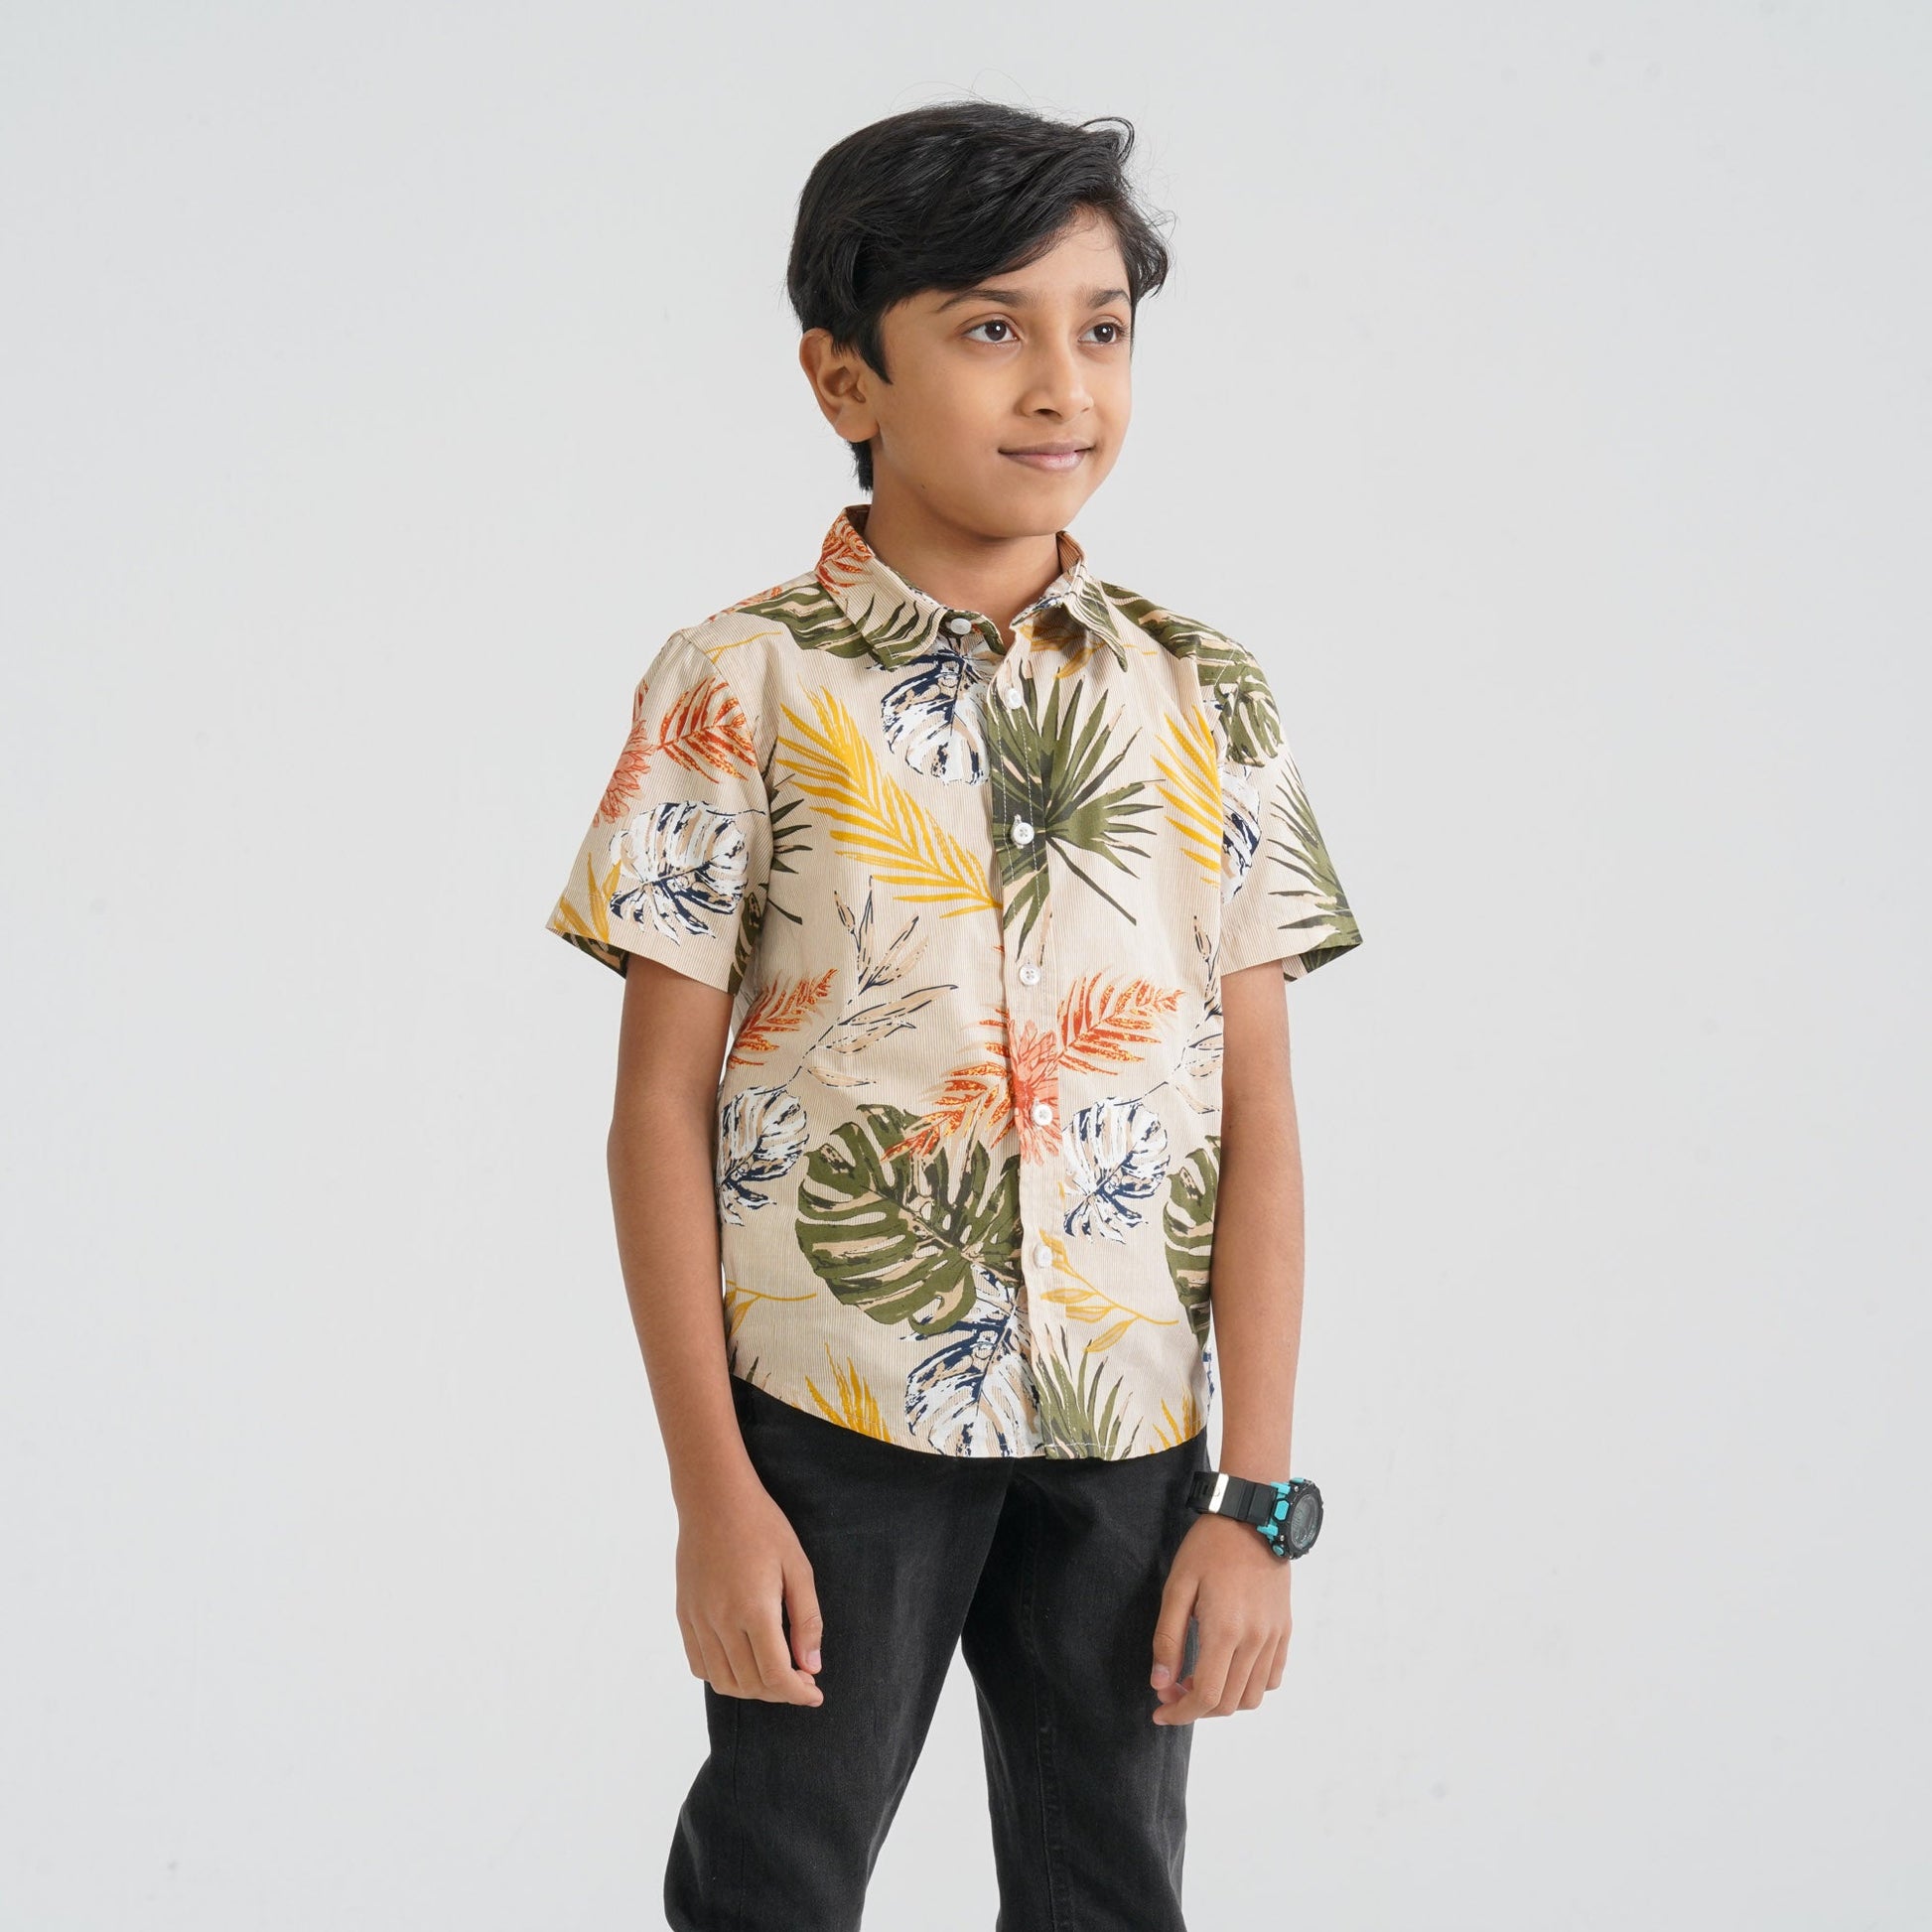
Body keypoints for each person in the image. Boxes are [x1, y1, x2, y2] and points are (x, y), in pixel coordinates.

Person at [544, 98, 1364, 1932]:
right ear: (844, 374)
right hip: (834, 1417)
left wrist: (1254, 1496)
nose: (1061, 384)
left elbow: (1257, 1114)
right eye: (992, 327)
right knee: (775, 1880)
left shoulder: (1206, 693)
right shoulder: (739, 680)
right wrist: (711, 1491)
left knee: (1107, 1889)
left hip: (1129, 1434)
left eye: (1102, 327)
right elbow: (655, 1110)